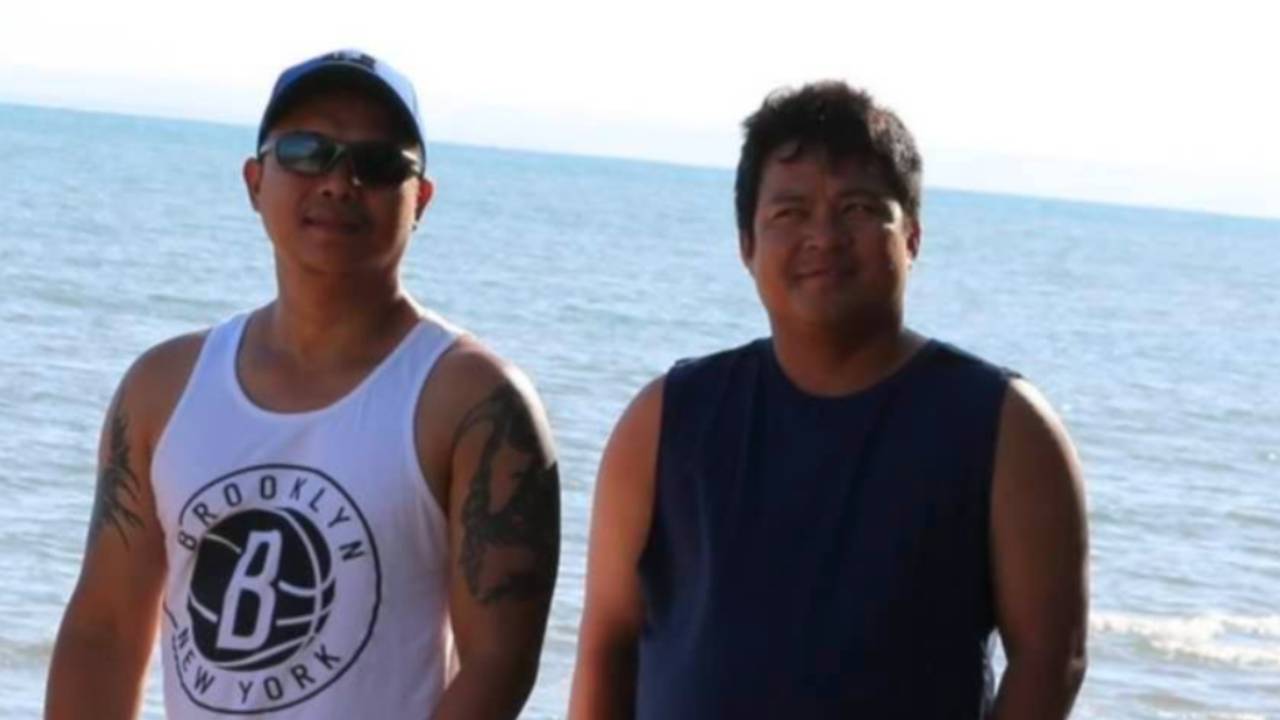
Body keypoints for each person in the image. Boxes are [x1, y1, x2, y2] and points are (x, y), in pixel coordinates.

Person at [46, 49, 559, 719]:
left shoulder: (474, 402)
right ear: (255, 180)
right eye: (306, 152)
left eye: (378, 163)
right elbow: (104, 630)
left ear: (421, 199)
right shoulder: (162, 388)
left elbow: (498, 664)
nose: (339, 182)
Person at [569, 81, 1088, 719]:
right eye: (790, 213)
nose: (824, 236)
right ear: (747, 245)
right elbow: (607, 641)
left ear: (912, 237)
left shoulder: (1005, 425)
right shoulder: (666, 417)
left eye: (858, 208)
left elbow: (1051, 657)